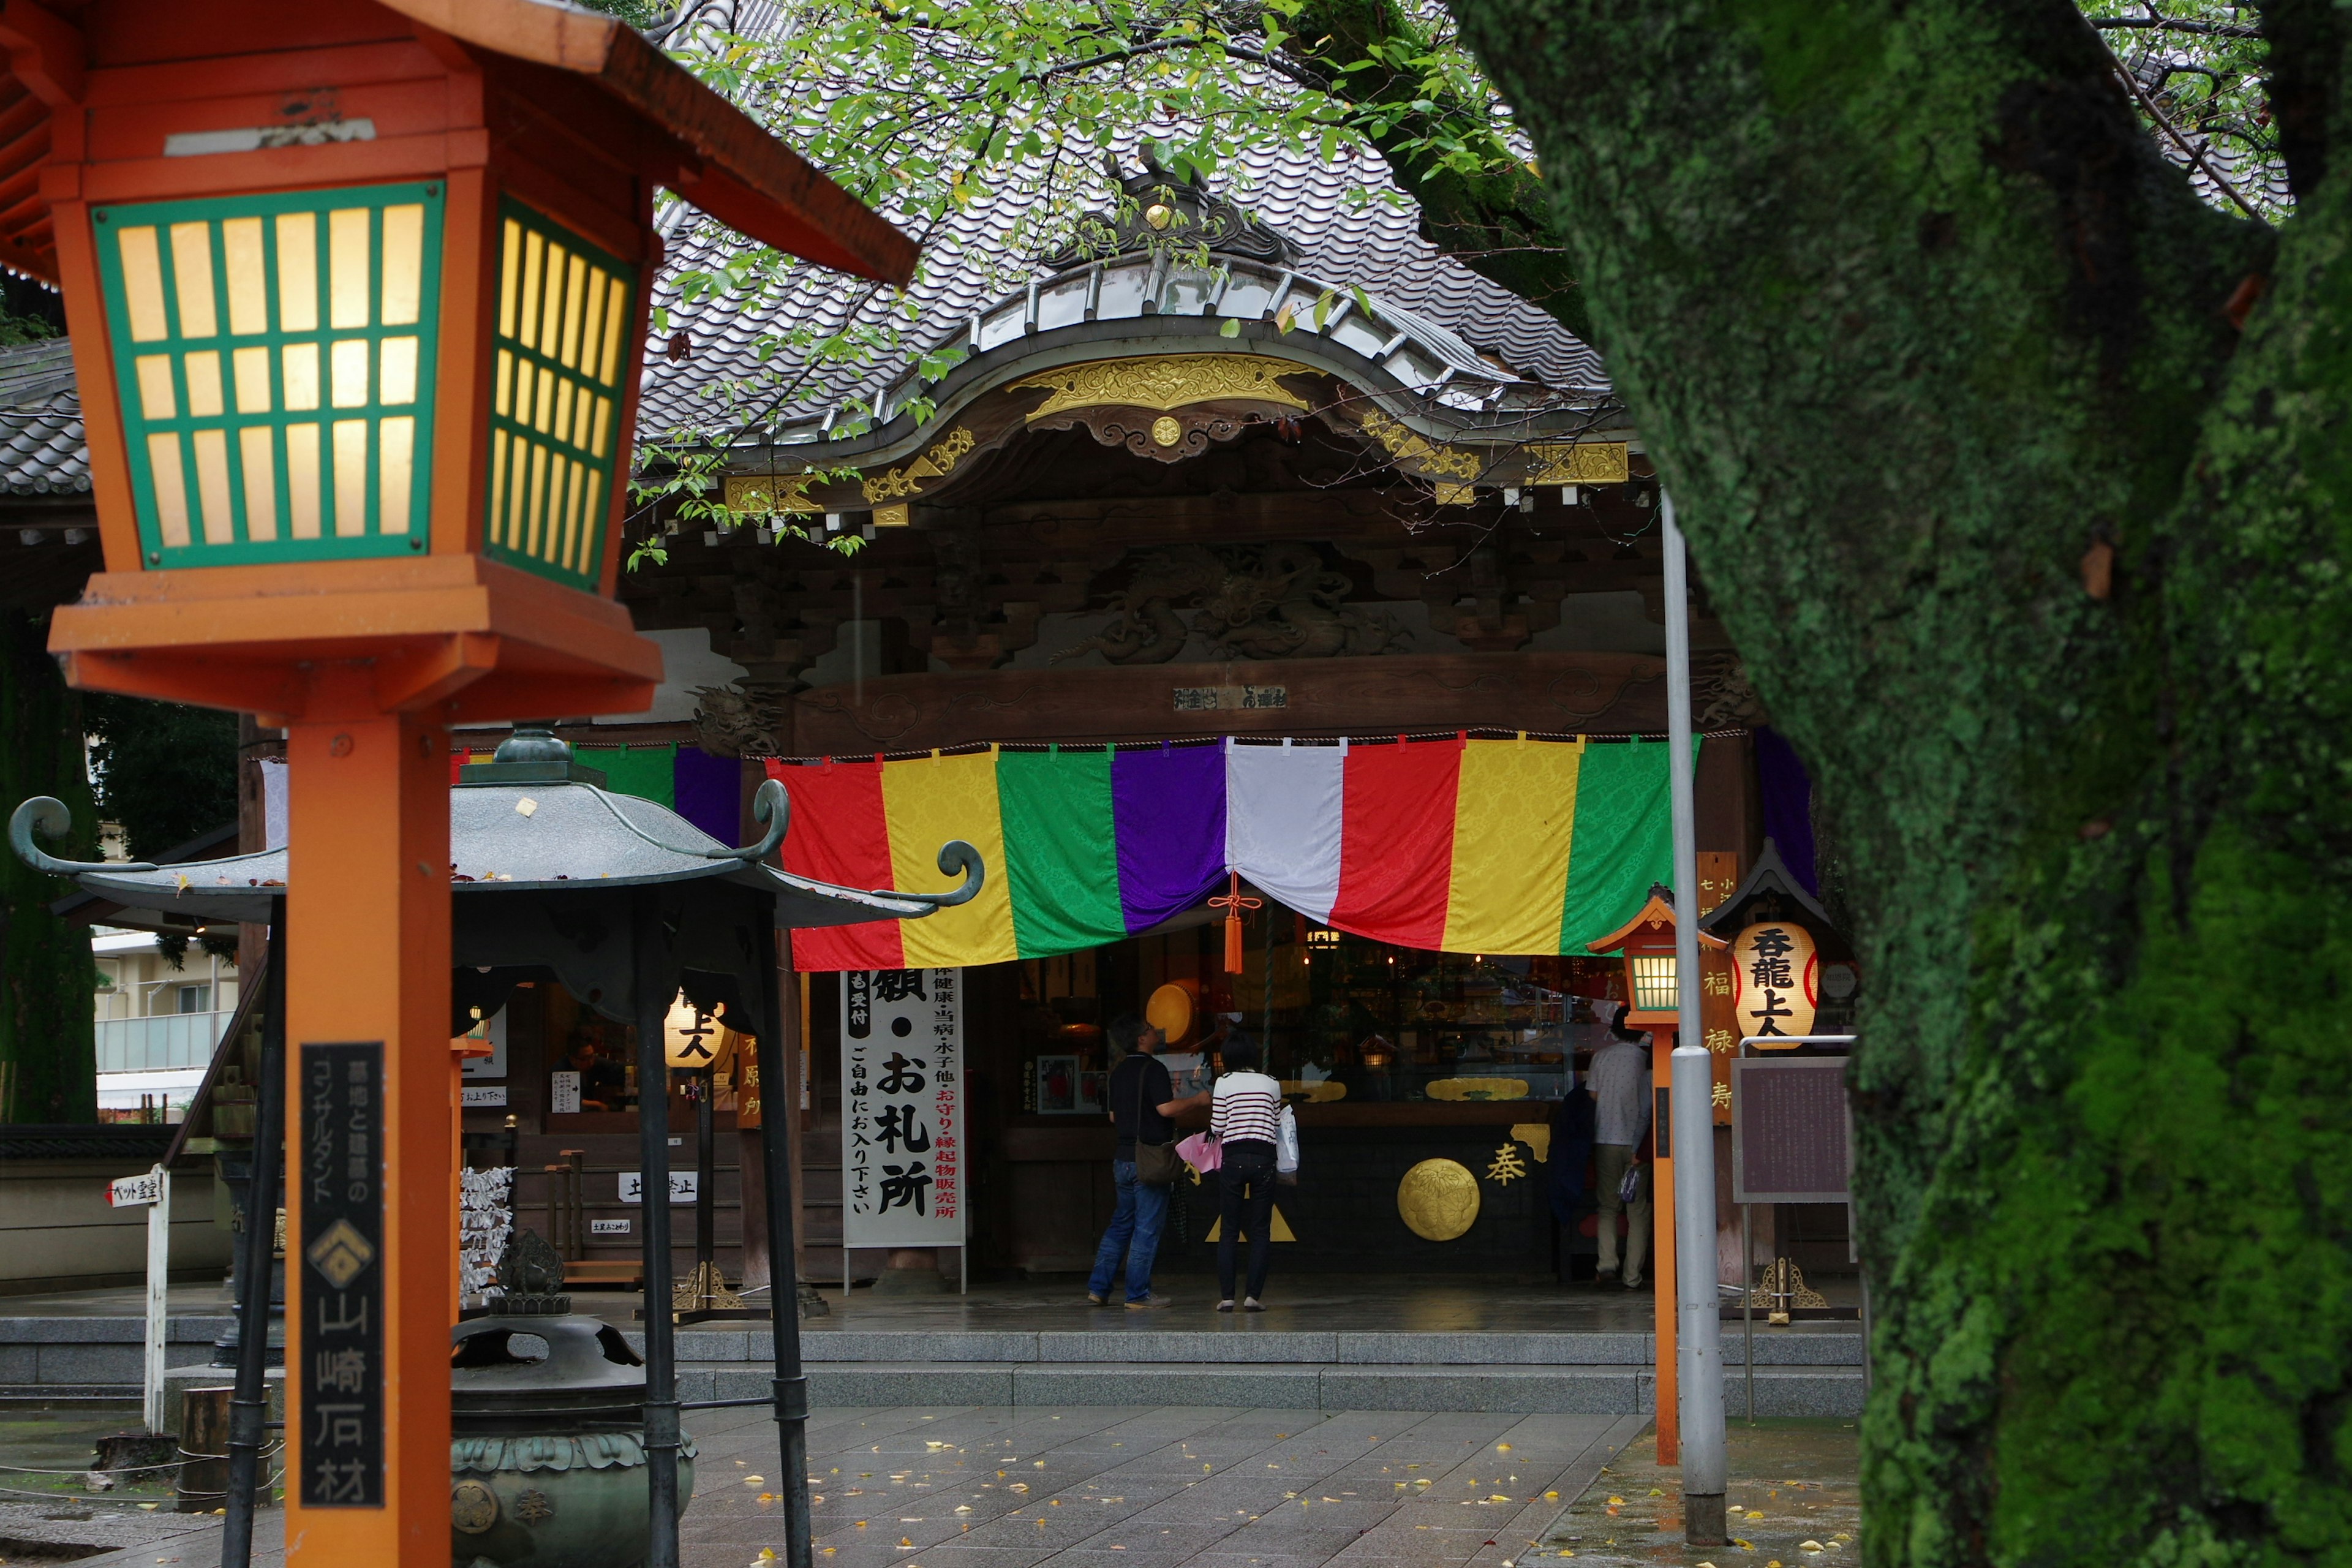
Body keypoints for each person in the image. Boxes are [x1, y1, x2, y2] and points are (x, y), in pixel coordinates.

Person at [1087, 1012, 1208, 1310]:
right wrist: (1198, 1100)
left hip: (1123, 1158)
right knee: (1147, 1227)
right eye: (1151, 1029)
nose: (1156, 1033)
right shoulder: (1153, 1069)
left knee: (1120, 1225)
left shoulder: (1118, 1072)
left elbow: (1114, 1116)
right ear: (1142, 1038)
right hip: (1149, 1158)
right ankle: (1138, 1294)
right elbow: (1166, 1109)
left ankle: (1098, 1287)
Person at [1209, 1031, 1283, 1312]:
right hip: (1265, 1158)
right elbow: (1275, 1121)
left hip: (1234, 1158)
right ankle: (1253, 1296)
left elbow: (1217, 1126)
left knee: (1229, 1229)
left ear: (1227, 1057)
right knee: (1261, 1230)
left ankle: (1227, 1297)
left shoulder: (1224, 1082)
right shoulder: (1271, 1083)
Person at [1588, 1006, 1653, 1288]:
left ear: (1614, 1029)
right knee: (1637, 1211)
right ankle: (1632, 1277)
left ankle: (1606, 1265)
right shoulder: (1647, 1061)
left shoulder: (1601, 1058)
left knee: (1608, 1207)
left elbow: (1593, 1095)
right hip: (1638, 1145)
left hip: (1606, 1140)